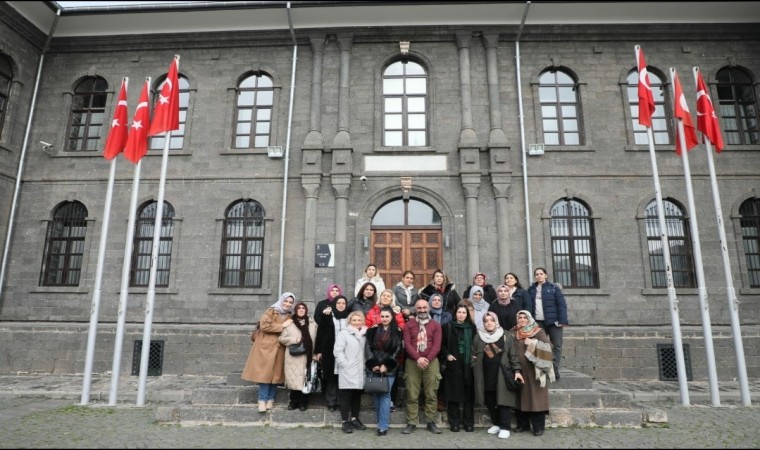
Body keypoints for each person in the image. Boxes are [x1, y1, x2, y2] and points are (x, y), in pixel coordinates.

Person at [473, 311, 524, 439]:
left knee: (503, 400)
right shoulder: (478, 336)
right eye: (486, 320)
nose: (489, 323)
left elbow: (513, 355)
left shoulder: (506, 335)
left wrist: (517, 371)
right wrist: (474, 365)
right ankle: (496, 424)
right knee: (490, 400)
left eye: (492, 320)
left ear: (496, 322)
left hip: (502, 373)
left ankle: (505, 426)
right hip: (485, 374)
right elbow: (473, 354)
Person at [241, 292, 295, 412]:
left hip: (280, 347)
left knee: (276, 375)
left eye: (290, 302)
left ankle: (271, 399)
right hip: (265, 347)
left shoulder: (290, 316)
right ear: (281, 300)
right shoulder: (271, 310)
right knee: (264, 374)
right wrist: (282, 326)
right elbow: (264, 326)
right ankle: (262, 399)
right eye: (286, 301)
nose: (287, 304)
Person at [401, 298, 443, 435]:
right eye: (419, 308)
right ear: (416, 309)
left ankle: (431, 421)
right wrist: (418, 358)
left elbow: (437, 345)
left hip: (432, 363)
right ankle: (411, 422)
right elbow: (407, 344)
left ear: (429, 308)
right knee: (412, 394)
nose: (422, 310)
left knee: (431, 394)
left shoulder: (436, 325)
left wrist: (427, 359)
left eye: (424, 307)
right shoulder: (409, 325)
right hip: (413, 362)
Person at [514, 310, 554, 436]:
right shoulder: (513, 332)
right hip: (520, 371)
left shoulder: (538, 331)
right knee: (521, 399)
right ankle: (523, 424)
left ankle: (538, 427)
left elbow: (549, 348)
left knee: (536, 399)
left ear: (529, 319)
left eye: (524, 317)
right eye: (519, 317)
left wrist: (533, 343)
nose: (522, 320)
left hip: (535, 371)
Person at [364, 306, 403, 436]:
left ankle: (383, 426)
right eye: (383, 316)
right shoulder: (372, 330)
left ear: (392, 317)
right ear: (379, 317)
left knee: (385, 393)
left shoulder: (397, 331)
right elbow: (368, 347)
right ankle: (380, 421)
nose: (385, 319)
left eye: (387, 316)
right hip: (374, 365)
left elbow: (398, 350)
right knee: (376, 393)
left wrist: (386, 365)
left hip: (389, 366)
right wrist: (373, 364)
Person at [441, 304, 477, 432]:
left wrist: (475, 356)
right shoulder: (447, 327)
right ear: (455, 313)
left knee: (468, 396)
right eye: (459, 312)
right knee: (453, 394)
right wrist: (447, 355)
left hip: (468, 365)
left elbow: (476, 344)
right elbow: (442, 344)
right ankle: (454, 422)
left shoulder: (472, 328)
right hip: (453, 364)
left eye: (464, 313)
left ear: (467, 315)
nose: (461, 315)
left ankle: (468, 422)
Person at [527, 267, 568, 380]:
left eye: (541, 274)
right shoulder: (531, 290)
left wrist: (562, 321)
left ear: (546, 275)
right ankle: (544, 368)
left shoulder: (554, 288)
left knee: (557, 346)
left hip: (554, 322)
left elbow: (561, 305)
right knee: (541, 346)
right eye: (537, 274)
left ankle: (554, 369)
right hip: (538, 322)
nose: (539, 276)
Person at [278, 302, 318, 411]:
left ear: (306, 310)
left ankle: (303, 403)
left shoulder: (312, 323)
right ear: (295, 310)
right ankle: (293, 402)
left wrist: (315, 353)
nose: (301, 309)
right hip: (294, 357)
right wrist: (295, 340)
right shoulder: (290, 323)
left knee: (306, 380)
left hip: (308, 356)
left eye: (303, 308)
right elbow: (281, 338)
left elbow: (316, 339)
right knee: (294, 380)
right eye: (299, 308)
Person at [314, 295, 350, 411]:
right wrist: (318, 351)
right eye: (339, 303)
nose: (341, 305)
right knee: (331, 377)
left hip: (345, 351)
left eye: (343, 303)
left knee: (342, 376)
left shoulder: (349, 318)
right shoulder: (328, 316)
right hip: (329, 350)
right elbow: (320, 333)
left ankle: (341, 401)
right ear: (334, 304)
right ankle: (331, 402)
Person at [334, 310, 368, 434]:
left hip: (360, 370)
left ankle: (355, 418)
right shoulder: (344, 333)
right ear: (350, 321)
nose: (357, 322)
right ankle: (345, 421)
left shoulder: (364, 334)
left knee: (357, 396)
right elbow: (338, 351)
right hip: (348, 369)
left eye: (359, 320)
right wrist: (345, 364)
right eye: (354, 320)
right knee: (346, 395)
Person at [429, 292, 452, 412]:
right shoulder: (426, 314)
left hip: (442, 347)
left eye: (439, 300)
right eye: (434, 299)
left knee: (441, 375)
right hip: (428, 348)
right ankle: (428, 399)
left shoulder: (447, 315)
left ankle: (441, 400)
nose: (437, 301)